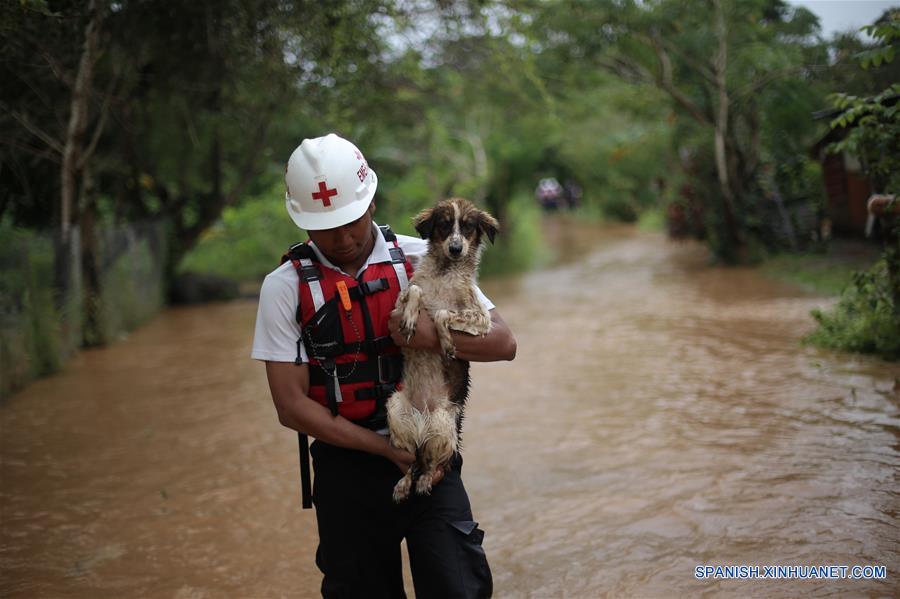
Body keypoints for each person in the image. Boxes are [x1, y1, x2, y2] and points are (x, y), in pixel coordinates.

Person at [251, 133, 517, 598]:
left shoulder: (423, 256)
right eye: (325, 226)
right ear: (301, 221)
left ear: (371, 202)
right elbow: (290, 406)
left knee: (460, 588)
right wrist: (382, 450)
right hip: (346, 472)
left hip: (431, 458)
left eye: (351, 220)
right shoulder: (284, 287)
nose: (342, 236)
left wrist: (430, 334)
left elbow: (504, 342)